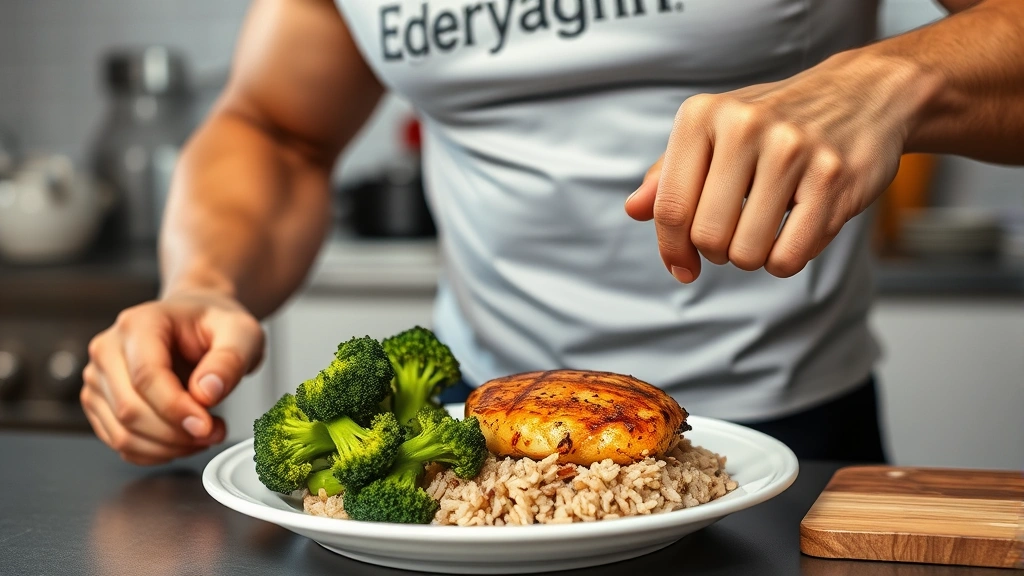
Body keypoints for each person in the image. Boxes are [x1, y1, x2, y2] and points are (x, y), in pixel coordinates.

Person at [81, 0, 1024, 466]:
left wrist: (896, 79)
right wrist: (203, 282)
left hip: (793, 427)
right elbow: (277, 129)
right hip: (471, 440)